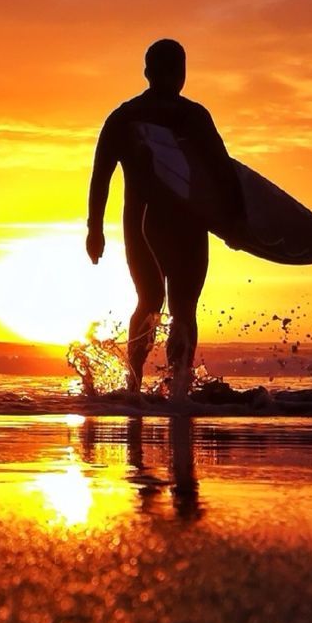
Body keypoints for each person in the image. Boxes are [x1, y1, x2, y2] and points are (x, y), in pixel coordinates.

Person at [86, 38, 243, 397]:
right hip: (187, 223)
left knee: (150, 299)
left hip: (141, 226)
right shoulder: (193, 117)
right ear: (182, 74)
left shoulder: (123, 117)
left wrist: (95, 229)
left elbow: (100, 177)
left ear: (147, 72)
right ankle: (179, 390)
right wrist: (235, 223)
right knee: (183, 306)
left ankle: (134, 385)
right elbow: (223, 172)